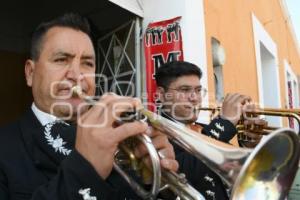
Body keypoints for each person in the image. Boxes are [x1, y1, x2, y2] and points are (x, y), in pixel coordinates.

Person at [0, 13, 179, 200]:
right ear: (30, 73)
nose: (77, 74)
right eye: (61, 59)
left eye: (87, 63)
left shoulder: (120, 138)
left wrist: (157, 182)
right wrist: (84, 171)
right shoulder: (5, 146)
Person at [155, 61, 265, 148]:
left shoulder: (204, 129)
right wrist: (225, 122)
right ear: (161, 94)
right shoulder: (154, 132)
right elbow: (190, 168)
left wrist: (248, 146)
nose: (194, 98)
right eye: (184, 90)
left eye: (198, 90)